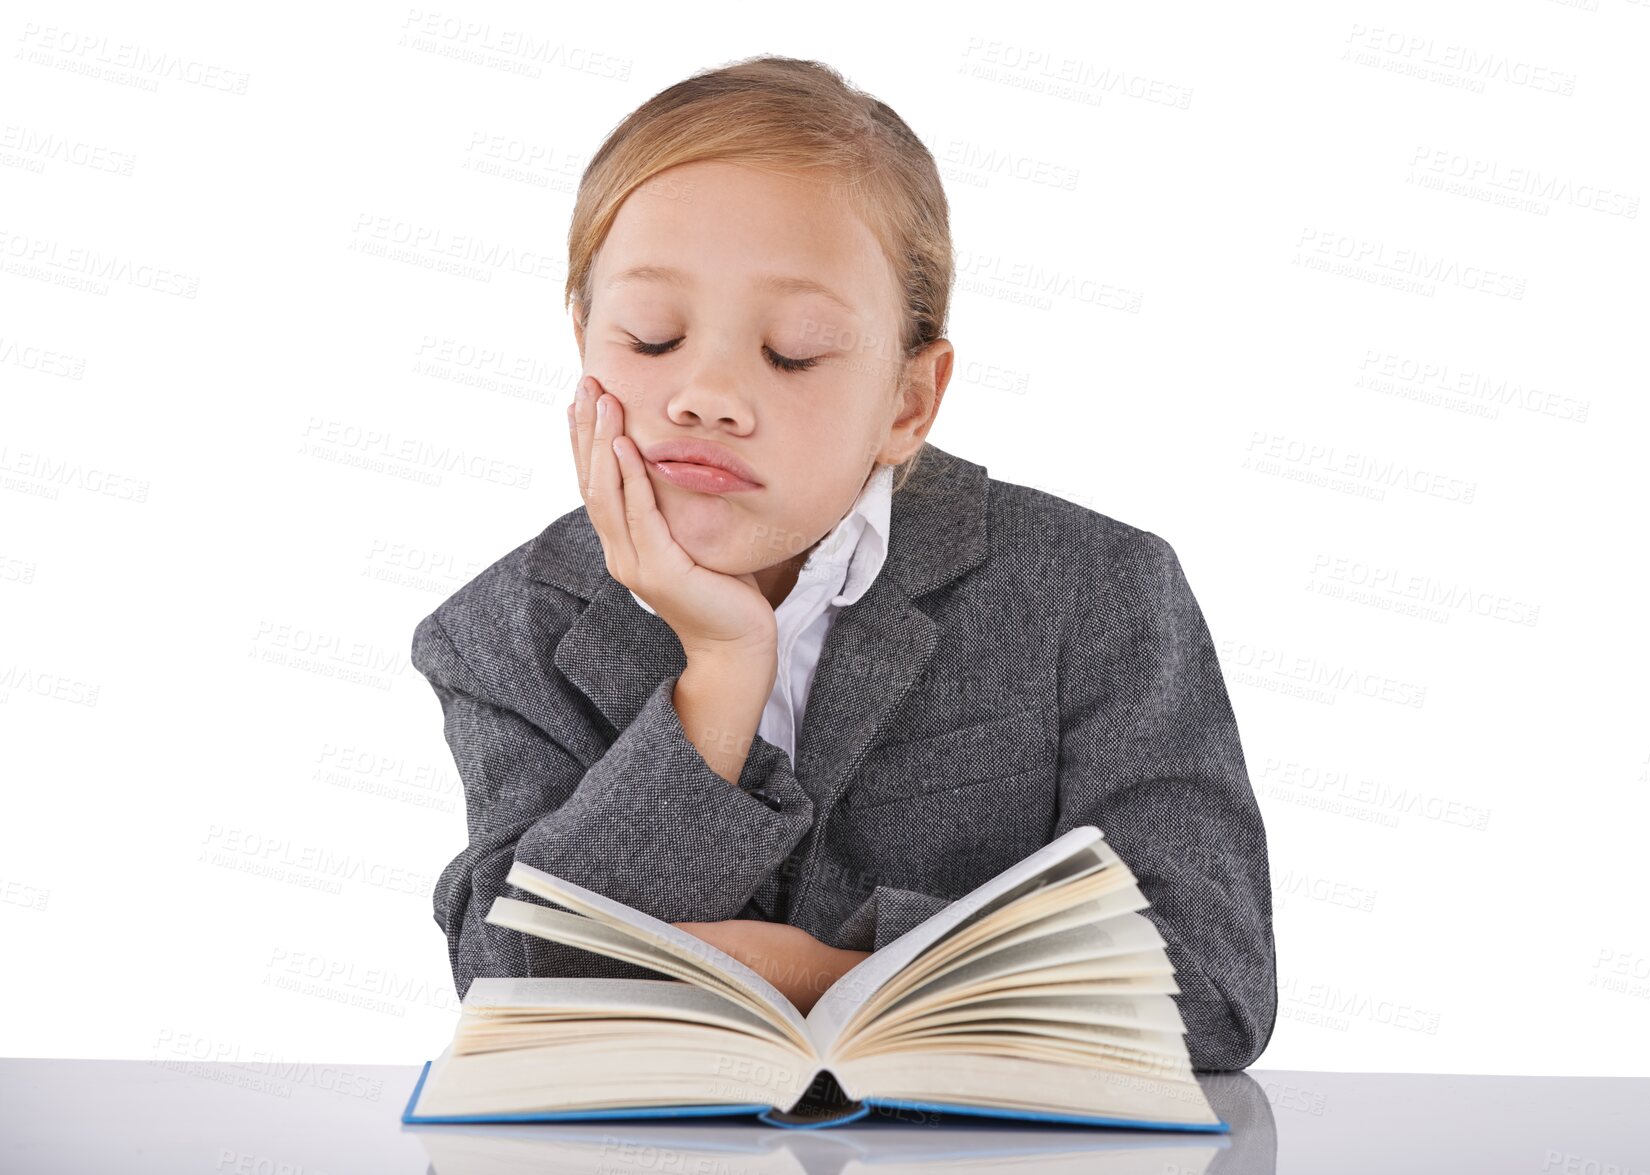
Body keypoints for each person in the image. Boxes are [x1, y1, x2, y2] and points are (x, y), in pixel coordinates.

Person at [412, 54, 1276, 1071]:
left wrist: (825, 968)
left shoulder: (1098, 589)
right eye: (650, 338)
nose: (706, 393)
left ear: (908, 400)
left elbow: (1211, 984)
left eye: (791, 352)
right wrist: (722, 672)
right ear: (584, 345)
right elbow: (515, 986)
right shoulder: (500, 631)